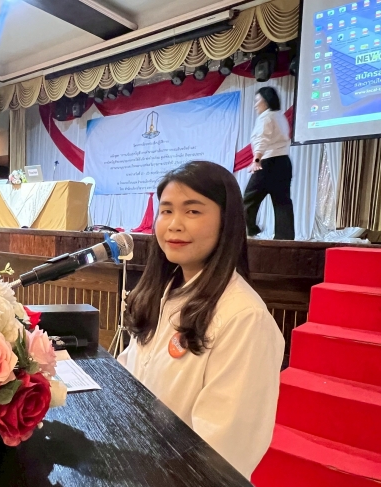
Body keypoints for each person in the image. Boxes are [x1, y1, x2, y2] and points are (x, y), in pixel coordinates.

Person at [118, 161, 284, 480]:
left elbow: (224, 450)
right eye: (166, 211)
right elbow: (130, 379)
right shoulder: (164, 292)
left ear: (226, 222)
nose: (174, 224)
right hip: (137, 465)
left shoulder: (244, 317)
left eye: (192, 211)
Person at [243, 86, 295, 240]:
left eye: (257, 101)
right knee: (282, 201)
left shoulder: (266, 117)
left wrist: (256, 160)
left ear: (265, 102)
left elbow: (262, 139)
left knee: (249, 198)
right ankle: (285, 238)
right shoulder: (280, 116)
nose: (255, 105)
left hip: (268, 162)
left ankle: (247, 230)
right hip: (283, 162)